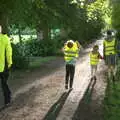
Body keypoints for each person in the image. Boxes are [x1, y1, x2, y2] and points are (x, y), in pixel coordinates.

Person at [0, 24, 12, 106]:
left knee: (4, 84)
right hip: (4, 66)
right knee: (4, 84)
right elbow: (9, 53)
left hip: (3, 66)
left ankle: (7, 99)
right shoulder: (5, 38)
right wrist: (10, 63)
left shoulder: (5, 39)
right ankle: (7, 100)